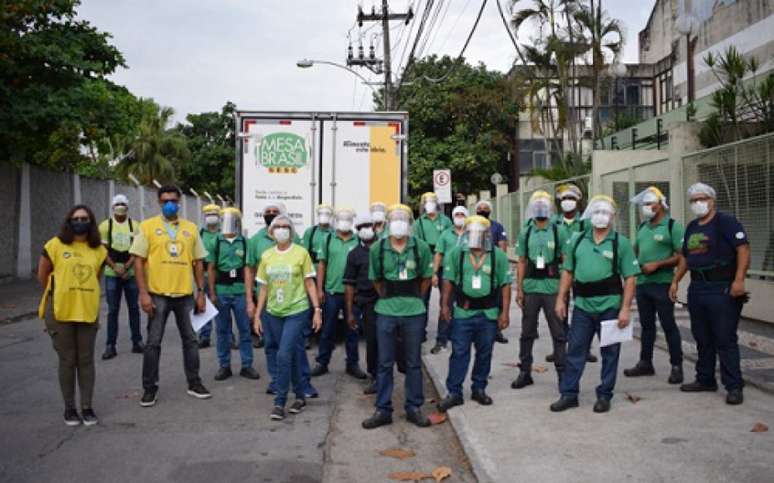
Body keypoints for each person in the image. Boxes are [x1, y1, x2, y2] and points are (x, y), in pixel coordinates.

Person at [551, 195, 640, 413]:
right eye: (597, 212)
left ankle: (604, 395)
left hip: (610, 306)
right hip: (582, 306)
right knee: (575, 351)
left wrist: (626, 308)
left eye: (606, 212)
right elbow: (568, 271)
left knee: (610, 353)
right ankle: (569, 394)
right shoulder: (578, 240)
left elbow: (630, 277)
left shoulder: (621, 243)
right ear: (590, 215)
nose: (601, 216)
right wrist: (561, 298)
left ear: (612, 217)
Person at [130, 185, 211, 407]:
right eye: (165, 200)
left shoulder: (191, 229)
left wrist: (201, 292)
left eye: (173, 200)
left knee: (191, 341)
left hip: (185, 294)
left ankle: (194, 382)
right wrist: (143, 294)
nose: (169, 204)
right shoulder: (147, 227)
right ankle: (149, 388)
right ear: (159, 202)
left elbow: (198, 262)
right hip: (158, 295)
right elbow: (138, 261)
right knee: (153, 343)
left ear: (179, 202)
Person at [670, 182, 750, 405]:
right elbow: (685, 256)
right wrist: (676, 280)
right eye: (694, 200)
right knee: (702, 337)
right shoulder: (692, 226)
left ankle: (734, 385)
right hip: (698, 288)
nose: (698, 203)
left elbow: (743, 248)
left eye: (702, 198)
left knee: (724, 338)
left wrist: (739, 280)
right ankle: (705, 378)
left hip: (721, 287)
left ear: (712, 200)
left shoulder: (725, 222)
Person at [362, 204, 434, 429]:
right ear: (388, 222)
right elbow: (375, 279)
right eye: (394, 219)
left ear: (410, 223)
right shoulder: (378, 249)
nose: (399, 222)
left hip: (413, 312)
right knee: (384, 363)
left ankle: (414, 407)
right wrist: (388, 295)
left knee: (413, 362)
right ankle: (383, 409)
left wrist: (414, 298)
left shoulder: (420, 247)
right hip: (385, 311)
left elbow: (425, 278)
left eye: (403, 218)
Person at [37, 205, 107, 426]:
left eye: (84, 218)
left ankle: (87, 407)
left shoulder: (99, 250)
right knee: (68, 360)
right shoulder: (55, 245)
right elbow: (43, 275)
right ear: (69, 221)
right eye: (76, 218)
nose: (80, 221)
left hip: (87, 311)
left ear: (91, 222)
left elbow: (96, 278)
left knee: (86, 360)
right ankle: (69, 408)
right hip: (60, 312)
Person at [436, 215, 512, 411]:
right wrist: (444, 305)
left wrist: (505, 313)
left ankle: (479, 388)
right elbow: (448, 280)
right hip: (463, 312)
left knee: (485, 353)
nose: (476, 236)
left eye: (481, 232)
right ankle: (454, 392)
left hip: (488, 314)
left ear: (487, 234)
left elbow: (505, 285)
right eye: (472, 231)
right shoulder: (457, 253)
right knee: (459, 352)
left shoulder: (498, 255)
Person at [253, 215, 323, 420]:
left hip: (297, 310)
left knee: (283, 354)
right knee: (289, 355)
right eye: (278, 226)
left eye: (286, 226)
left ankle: (279, 401)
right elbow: (263, 288)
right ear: (271, 231)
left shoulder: (301, 253)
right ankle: (300, 396)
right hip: (274, 312)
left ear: (291, 230)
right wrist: (258, 315)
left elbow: (309, 282)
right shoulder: (266, 256)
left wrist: (317, 310)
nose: (282, 229)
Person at [246, 201, 316, 397]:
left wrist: (315, 307)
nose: (271, 215)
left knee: (295, 345)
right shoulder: (256, 241)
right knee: (271, 344)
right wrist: (250, 301)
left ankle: (303, 383)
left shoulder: (298, 244)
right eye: (267, 213)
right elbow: (250, 268)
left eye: (275, 213)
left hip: (294, 303)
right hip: (269, 303)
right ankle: (277, 381)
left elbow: (306, 273)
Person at [624, 187, 685, 384]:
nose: (646, 208)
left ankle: (677, 366)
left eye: (649, 203)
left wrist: (659, 265)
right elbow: (635, 251)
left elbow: (682, 256)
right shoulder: (643, 227)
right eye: (644, 205)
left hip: (662, 284)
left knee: (668, 325)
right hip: (643, 284)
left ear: (660, 205)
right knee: (646, 326)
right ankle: (645, 363)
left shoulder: (672, 226)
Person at [512, 191, 569, 390]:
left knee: (558, 333)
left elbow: (566, 260)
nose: (540, 208)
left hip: (552, 288)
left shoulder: (558, 230)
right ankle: (524, 371)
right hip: (531, 288)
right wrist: (519, 289)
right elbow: (521, 261)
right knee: (527, 332)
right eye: (536, 204)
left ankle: (563, 374)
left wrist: (563, 290)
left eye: (544, 204)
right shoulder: (526, 231)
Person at [311, 207, 367, 379]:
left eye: (347, 219)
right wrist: (320, 289)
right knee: (328, 329)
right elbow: (322, 265)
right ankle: (322, 362)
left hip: (353, 293)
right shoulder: (328, 239)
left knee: (352, 330)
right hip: (332, 292)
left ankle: (352, 364)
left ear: (352, 222)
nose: (344, 222)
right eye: (341, 219)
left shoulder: (359, 240)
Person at [207, 207, 260, 381]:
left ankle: (247, 365)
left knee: (245, 329)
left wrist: (249, 297)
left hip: (239, 293)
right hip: (222, 292)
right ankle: (224, 365)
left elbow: (248, 270)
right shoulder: (217, 241)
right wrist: (212, 293)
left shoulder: (245, 242)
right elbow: (211, 268)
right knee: (222, 330)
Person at [550, 183, 597, 364]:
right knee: (559, 312)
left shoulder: (585, 222)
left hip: (580, 273)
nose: (567, 202)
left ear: (578, 201)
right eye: (564, 199)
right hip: (559, 273)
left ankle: (584, 349)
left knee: (584, 311)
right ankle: (559, 349)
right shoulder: (554, 222)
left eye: (571, 199)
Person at [99, 194, 143, 360]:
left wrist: (126, 266)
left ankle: (137, 342)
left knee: (134, 309)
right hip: (112, 273)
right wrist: (114, 267)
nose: (120, 206)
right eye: (117, 204)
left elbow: (137, 249)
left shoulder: (135, 225)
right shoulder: (105, 226)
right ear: (112, 207)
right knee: (113, 310)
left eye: (123, 204)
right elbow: (102, 251)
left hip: (130, 273)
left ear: (128, 206)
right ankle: (110, 345)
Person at [344, 214, 380, 394]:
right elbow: (349, 284)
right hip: (367, 303)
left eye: (368, 225)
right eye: (360, 227)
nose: (365, 229)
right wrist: (350, 312)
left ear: (374, 227)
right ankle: (375, 376)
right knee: (372, 340)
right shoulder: (354, 254)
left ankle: (387, 372)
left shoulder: (385, 247)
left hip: (388, 301)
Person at [413, 192, 452, 343]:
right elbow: (416, 244)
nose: (429, 204)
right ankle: (420, 331)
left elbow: (449, 240)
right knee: (422, 300)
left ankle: (444, 334)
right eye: (426, 201)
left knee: (446, 300)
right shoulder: (418, 223)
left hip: (444, 264)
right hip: (425, 266)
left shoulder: (446, 221)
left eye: (432, 201)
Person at [430, 206, 468, 354]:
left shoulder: (472, 234)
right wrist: (434, 273)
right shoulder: (445, 234)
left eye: (462, 214)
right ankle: (441, 340)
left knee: (463, 306)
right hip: (447, 276)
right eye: (456, 214)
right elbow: (439, 254)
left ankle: (461, 337)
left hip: (466, 276)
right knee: (445, 305)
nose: (459, 216)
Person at [474, 200, 510, 345]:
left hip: (493, 265)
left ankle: (496, 331)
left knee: (497, 299)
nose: (483, 210)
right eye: (480, 208)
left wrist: (499, 263)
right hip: (476, 265)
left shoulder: (497, 226)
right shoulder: (472, 225)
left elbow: (502, 245)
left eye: (485, 208)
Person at [197, 203, 221, 348]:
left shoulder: (224, 234)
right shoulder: (200, 234)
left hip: (221, 274)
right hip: (204, 274)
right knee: (203, 304)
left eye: (214, 214)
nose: (211, 217)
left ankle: (227, 336)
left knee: (222, 306)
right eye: (208, 214)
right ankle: (204, 336)